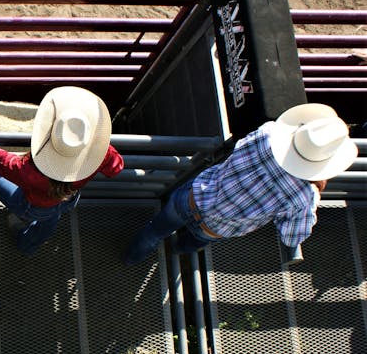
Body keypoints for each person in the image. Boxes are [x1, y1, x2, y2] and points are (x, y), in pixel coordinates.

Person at [122, 103, 358, 266]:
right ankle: (175, 251)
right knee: (189, 244)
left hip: (194, 197)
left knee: (155, 230)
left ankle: (132, 257)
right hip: (215, 228)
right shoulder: (304, 196)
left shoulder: (268, 133)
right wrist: (315, 187)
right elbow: (292, 236)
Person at [0, 86, 124, 255]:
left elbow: (0, 159)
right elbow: (115, 168)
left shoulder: (29, 170)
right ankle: (27, 246)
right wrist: (101, 145)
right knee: (50, 218)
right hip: (68, 198)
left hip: (33, 206)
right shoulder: (102, 154)